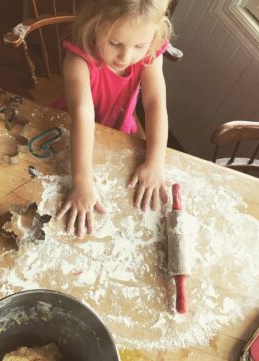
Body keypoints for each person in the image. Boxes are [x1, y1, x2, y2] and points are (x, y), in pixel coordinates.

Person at [55, 0, 173, 238]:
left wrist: (155, 162)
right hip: (74, 132)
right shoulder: (77, 61)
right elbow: (82, 115)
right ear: (94, 23)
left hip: (119, 130)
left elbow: (154, 103)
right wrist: (82, 183)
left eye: (140, 45)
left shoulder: (149, 54)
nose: (126, 56)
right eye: (114, 43)